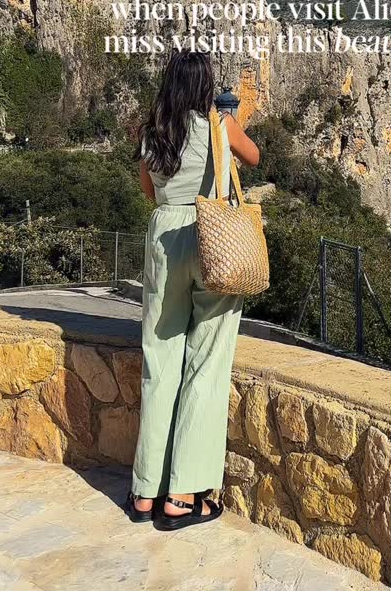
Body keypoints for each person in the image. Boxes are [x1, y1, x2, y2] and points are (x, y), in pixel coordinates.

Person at [126, 50, 260, 530]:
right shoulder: (217, 125)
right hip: (211, 239)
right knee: (205, 363)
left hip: (164, 237)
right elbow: (255, 158)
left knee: (159, 362)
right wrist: (229, 119)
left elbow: (148, 191)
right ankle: (183, 496)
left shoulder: (153, 131)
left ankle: (145, 492)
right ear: (205, 86)